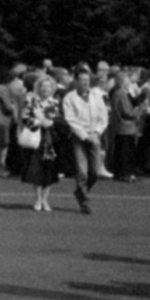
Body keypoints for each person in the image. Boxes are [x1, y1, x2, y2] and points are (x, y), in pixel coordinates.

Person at [62, 64, 109, 214]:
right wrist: (84, 135)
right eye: (82, 80)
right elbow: (71, 119)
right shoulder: (69, 98)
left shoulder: (97, 96)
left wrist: (96, 132)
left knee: (95, 172)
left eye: (87, 80)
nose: (85, 83)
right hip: (78, 137)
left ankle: (80, 192)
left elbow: (103, 117)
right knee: (82, 172)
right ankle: (84, 201)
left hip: (94, 135)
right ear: (76, 81)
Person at [20, 73, 63, 211]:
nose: (45, 89)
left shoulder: (56, 103)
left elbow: (62, 121)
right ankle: (38, 199)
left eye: (48, 87)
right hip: (37, 139)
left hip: (52, 140)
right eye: (43, 87)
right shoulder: (33, 102)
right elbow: (25, 118)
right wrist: (38, 122)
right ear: (38, 88)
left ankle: (45, 200)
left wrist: (52, 123)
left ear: (52, 89)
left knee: (50, 171)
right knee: (37, 170)